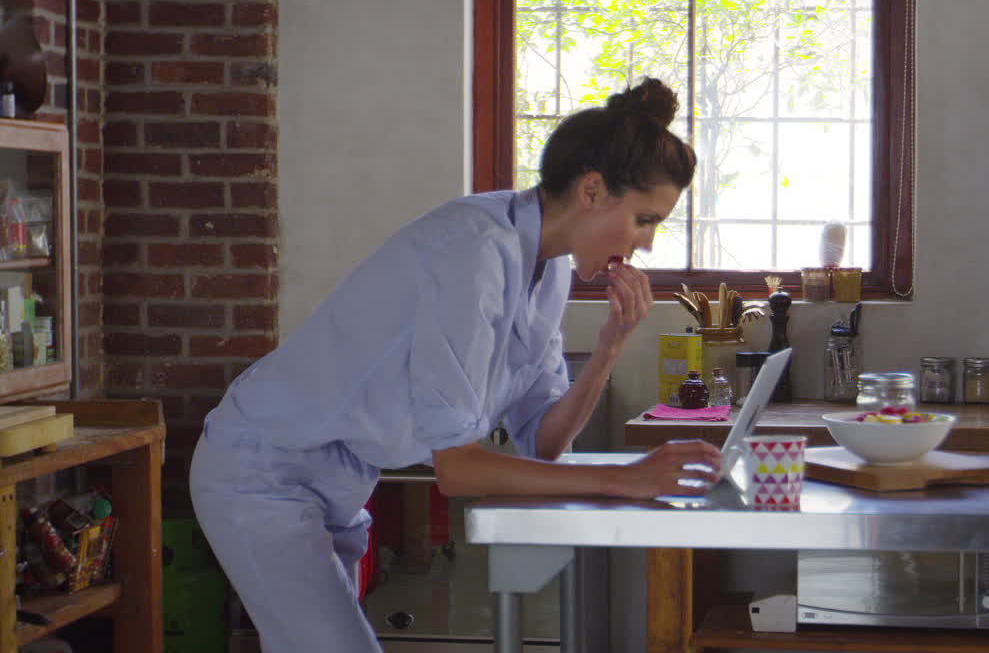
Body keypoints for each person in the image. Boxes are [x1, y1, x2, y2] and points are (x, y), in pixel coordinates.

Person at [188, 77, 721, 653]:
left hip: (340, 484)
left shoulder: (552, 268)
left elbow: (541, 439)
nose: (646, 243)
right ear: (592, 190)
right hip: (263, 472)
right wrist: (625, 479)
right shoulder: (473, 252)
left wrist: (611, 345)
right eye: (645, 220)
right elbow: (460, 470)